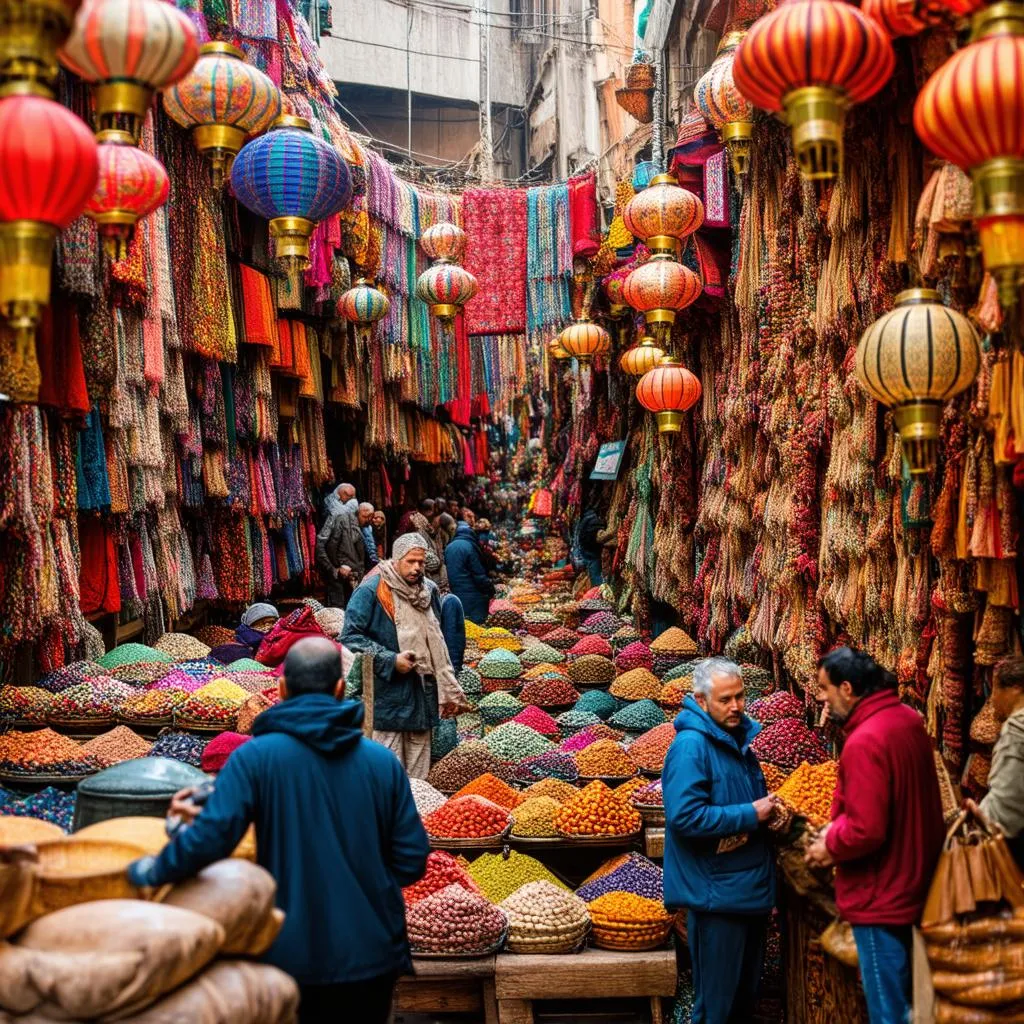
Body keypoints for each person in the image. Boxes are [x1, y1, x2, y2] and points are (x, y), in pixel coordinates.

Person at [126, 637, 429, 1024]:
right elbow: (411, 861)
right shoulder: (382, 763)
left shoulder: (253, 758)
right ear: (340, 689)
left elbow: (210, 840)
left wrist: (149, 871)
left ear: (282, 690)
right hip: (372, 954)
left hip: (286, 956)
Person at [806, 646, 945, 1024]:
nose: (820, 697)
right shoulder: (907, 721)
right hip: (913, 882)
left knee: (888, 1010)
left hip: (880, 895)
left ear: (847, 688)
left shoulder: (865, 740)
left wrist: (828, 844)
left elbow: (866, 829)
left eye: (824, 688)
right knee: (909, 1002)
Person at [662, 658, 777, 1024]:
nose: (736, 707)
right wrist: (750, 814)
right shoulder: (692, 747)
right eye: (725, 699)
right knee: (716, 1010)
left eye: (740, 697)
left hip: (745, 891)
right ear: (700, 700)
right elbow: (685, 816)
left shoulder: (736, 742)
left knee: (742, 1004)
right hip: (718, 898)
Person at [340, 533, 468, 778]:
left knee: (419, 778)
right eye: (411, 561)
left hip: (422, 695)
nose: (417, 568)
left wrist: (446, 685)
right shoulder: (371, 590)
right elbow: (350, 636)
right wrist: (389, 659)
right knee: (387, 774)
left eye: (421, 562)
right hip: (388, 699)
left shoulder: (429, 590)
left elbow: (437, 639)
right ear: (396, 559)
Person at [971, 656, 1024, 867]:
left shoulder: (1016, 731)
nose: (992, 700)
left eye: (996, 690)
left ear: (1015, 688)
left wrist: (978, 817)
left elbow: (1004, 810)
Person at [315, 501, 372, 608]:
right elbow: (331, 546)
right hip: (341, 573)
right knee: (338, 606)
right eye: (365, 516)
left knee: (348, 605)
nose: (367, 519)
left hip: (351, 574)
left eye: (369, 517)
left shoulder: (361, 527)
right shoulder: (342, 521)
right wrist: (336, 567)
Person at [445, 512, 495, 626]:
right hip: (472, 595)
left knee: (464, 626)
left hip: (456, 591)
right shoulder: (470, 547)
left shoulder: (449, 546)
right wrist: (490, 589)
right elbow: (479, 575)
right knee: (476, 626)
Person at [575, 501, 606, 585]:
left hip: (587, 548)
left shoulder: (587, 516)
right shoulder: (593, 517)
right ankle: (598, 591)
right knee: (595, 572)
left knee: (593, 572)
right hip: (591, 549)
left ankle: (598, 590)